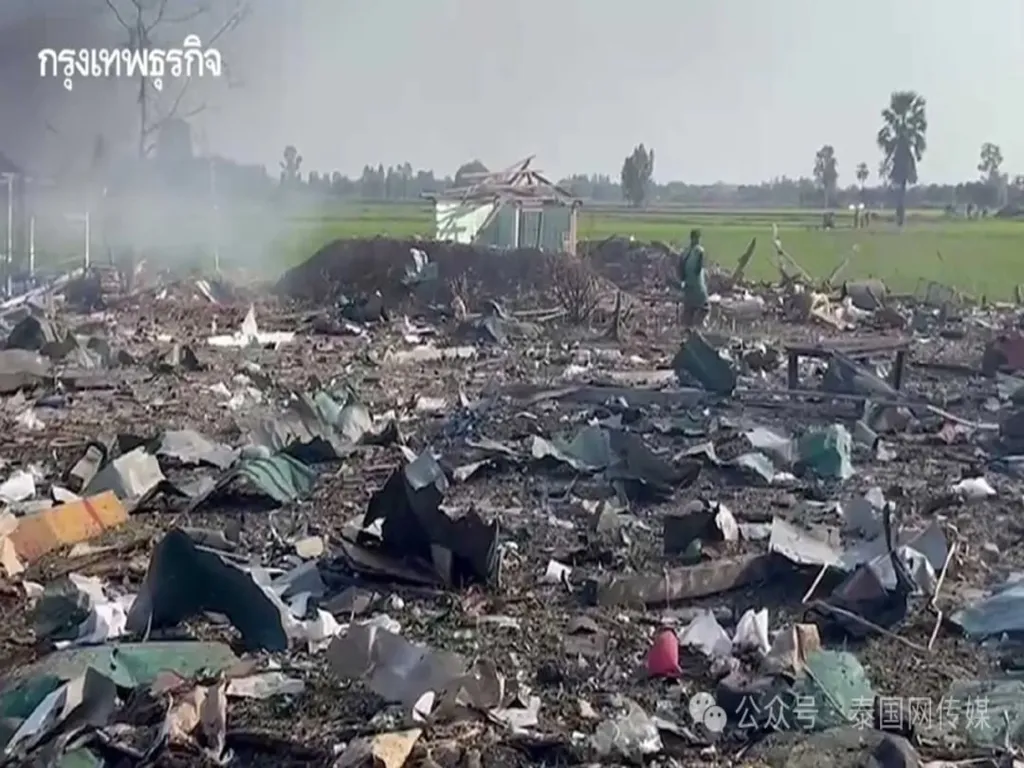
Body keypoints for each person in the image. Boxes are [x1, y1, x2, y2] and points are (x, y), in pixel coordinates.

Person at [677, 228, 709, 328]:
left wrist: (684, 282)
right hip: (698, 288)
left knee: (688, 313)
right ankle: (699, 331)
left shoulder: (684, 252)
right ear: (698, 238)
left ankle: (686, 332)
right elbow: (698, 269)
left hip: (687, 288)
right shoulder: (699, 251)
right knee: (705, 308)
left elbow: (680, 271)